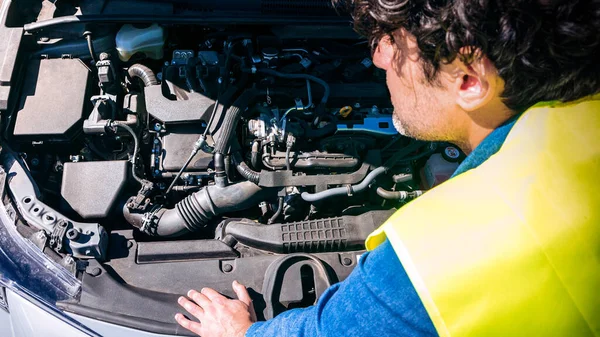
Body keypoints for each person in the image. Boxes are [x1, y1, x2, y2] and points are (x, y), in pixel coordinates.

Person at [174, 0, 600, 336]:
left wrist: (240, 332)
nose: (377, 58)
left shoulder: (442, 258)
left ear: (469, 80)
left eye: (394, 43)